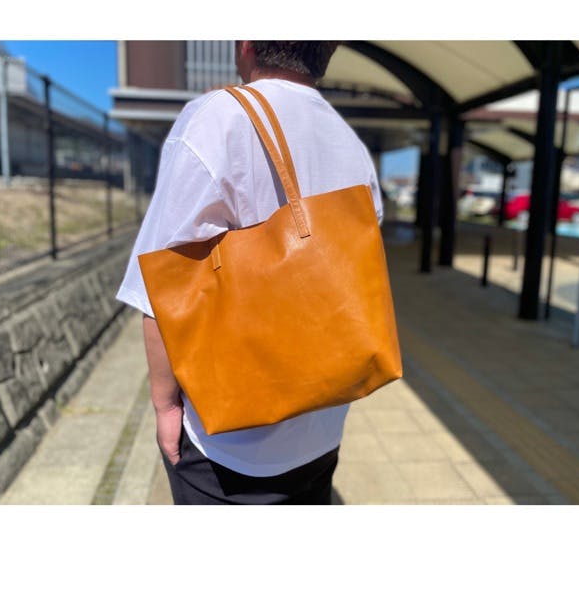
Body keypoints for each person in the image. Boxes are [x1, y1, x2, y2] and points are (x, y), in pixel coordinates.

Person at [116, 41, 383, 504]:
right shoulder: (348, 141)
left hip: (228, 445)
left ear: (247, 44)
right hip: (323, 425)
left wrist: (164, 405)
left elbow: (162, 283)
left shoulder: (218, 116)